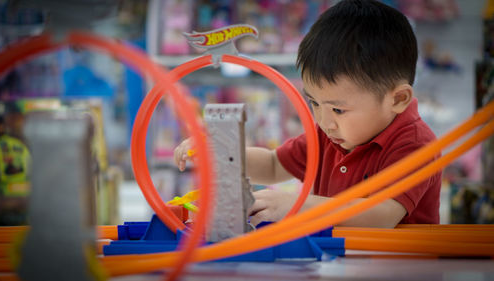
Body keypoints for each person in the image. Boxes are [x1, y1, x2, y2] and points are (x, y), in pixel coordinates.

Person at [174, 0, 441, 228]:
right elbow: (272, 165)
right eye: (314, 103)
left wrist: (298, 205)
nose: (324, 122)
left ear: (398, 99)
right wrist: (223, 152)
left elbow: (382, 215)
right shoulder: (329, 134)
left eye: (338, 109)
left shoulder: (414, 144)